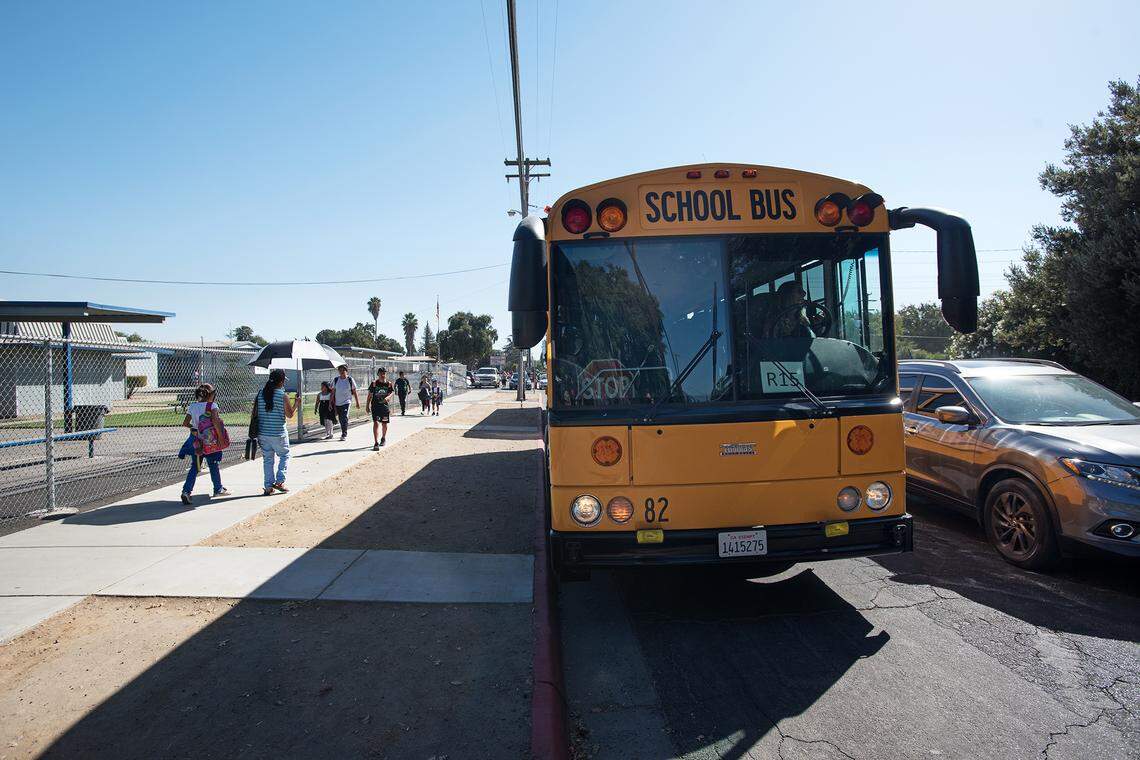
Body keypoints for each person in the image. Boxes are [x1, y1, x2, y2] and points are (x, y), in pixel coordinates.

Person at [180, 383, 228, 504]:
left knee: (195, 467)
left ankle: (186, 491)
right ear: (211, 394)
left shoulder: (193, 406)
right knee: (213, 464)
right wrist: (221, 438)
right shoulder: (212, 406)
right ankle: (218, 488)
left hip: (197, 441)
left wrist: (194, 427)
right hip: (210, 441)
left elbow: (185, 423)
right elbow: (216, 422)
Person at [257, 368, 300, 496]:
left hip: (263, 433)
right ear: (281, 381)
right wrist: (296, 403)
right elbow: (290, 414)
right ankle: (280, 481)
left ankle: (268, 486)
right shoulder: (282, 395)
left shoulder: (261, 394)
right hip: (278, 433)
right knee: (284, 455)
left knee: (268, 460)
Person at [330, 364, 360, 441]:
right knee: (341, 418)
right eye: (340, 370)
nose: (342, 372)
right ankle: (343, 430)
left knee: (344, 417)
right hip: (338, 403)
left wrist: (357, 402)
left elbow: (354, 391)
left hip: (347, 402)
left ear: (347, 371)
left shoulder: (350, 379)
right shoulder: (336, 380)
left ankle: (344, 433)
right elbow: (333, 392)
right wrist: (330, 402)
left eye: (343, 370)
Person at [368, 367, 394, 450]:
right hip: (375, 406)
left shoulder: (389, 384)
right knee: (376, 423)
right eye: (381, 373)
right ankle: (376, 443)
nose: (383, 375)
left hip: (384, 407)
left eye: (384, 373)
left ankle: (383, 438)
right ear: (378, 374)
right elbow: (369, 395)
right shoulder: (374, 384)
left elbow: (392, 392)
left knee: (384, 424)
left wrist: (388, 397)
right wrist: (367, 405)